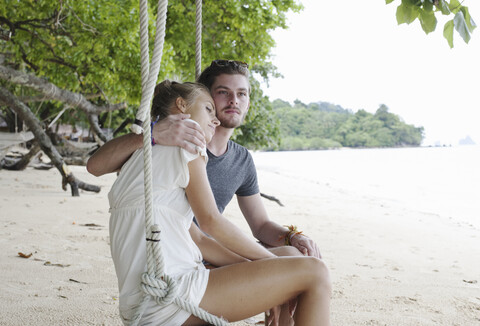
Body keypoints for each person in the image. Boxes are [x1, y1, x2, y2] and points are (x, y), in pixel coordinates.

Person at [87, 60, 324, 325]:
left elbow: (216, 233)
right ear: (188, 104)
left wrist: (290, 239)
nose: (233, 101)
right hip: (178, 284)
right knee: (314, 272)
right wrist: (152, 133)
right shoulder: (183, 143)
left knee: (295, 260)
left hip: (158, 288)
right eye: (220, 95)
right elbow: (210, 221)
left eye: (242, 93)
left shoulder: (160, 157)